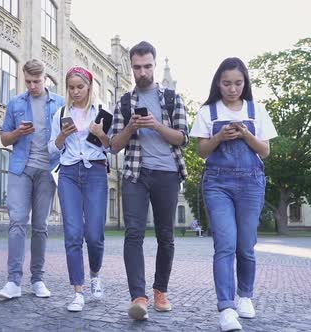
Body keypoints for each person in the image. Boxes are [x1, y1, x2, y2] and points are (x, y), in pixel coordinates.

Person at [190, 57, 278, 331]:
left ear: (245, 83)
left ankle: (245, 297)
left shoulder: (256, 110)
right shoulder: (208, 112)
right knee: (225, 244)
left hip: (251, 182)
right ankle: (226, 307)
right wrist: (220, 137)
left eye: (238, 83)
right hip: (217, 183)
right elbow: (202, 152)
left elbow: (264, 151)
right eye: (227, 83)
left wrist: (245, 135)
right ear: (218, 83)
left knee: (246, 245)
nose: (232, 88)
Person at [109, 41, 189, 320]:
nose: (142, 72)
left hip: (167, 173)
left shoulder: (171, 98)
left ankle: (160, 292)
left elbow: (183, 139)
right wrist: (131, 126)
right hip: (135, 174)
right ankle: (139, 297)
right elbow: (114, 146)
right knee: (134, 234)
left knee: (165, 236)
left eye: (147, 66)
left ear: (154, 65)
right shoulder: (124, 102)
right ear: (131, 67)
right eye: (137, 67)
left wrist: (155, 125)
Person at [0, 59, 65, 300]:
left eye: (37, 81)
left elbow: (67, 138)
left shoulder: (60, 104)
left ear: (45, 79)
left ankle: (38, 280)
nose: (32, 86)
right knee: (16, 222)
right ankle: (13, 281)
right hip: (21, 169)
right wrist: (17, 133)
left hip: (48, 170)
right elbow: (4, 138)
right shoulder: (15, 103)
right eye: (28, 81)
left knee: (40, 226)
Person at [48, 66, 109, 312]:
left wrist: (101, 135)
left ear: (89, 87)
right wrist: (62, 136)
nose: (75, 91)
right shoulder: (61, 113)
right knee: (73, 234)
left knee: (94, 234)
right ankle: (78, 291)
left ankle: (95, 274)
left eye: (79, 87)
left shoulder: (101, 112)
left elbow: (114, 147)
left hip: (95, 171)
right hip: (69, 173)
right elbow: (52, 148)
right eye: (71, 87)